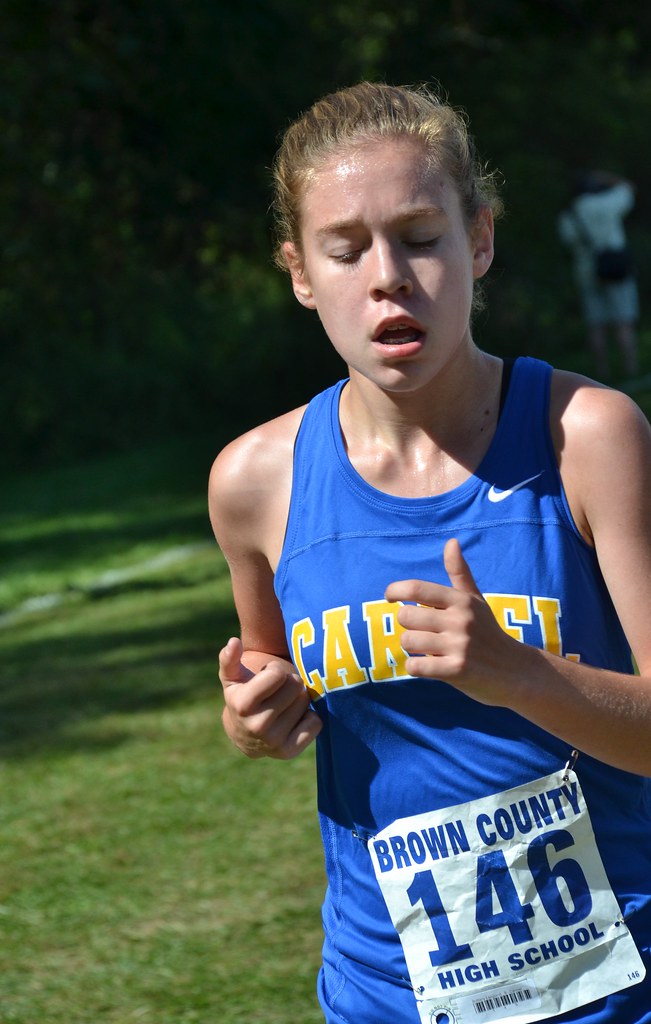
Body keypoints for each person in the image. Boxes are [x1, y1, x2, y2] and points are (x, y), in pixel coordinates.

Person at [209, 82, 651, 1024]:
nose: (388, 278)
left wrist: (517, 673)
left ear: (479, 240)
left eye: (420, 237)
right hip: (384, 995)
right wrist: (257, 721)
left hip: (616, 992)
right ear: (298, 271)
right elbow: (271, 689)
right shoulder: (255, 484)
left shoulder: (588, 438)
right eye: (344, 249)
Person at [558, 170, 640, 380]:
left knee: (596, 325)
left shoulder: (569, 216)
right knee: (623, 322)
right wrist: (608, 178)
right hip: (616, 270)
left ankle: (602, 374)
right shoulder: (606, 203)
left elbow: (568, 241)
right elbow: (628, 189)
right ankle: (631, 372)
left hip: (587, 273)